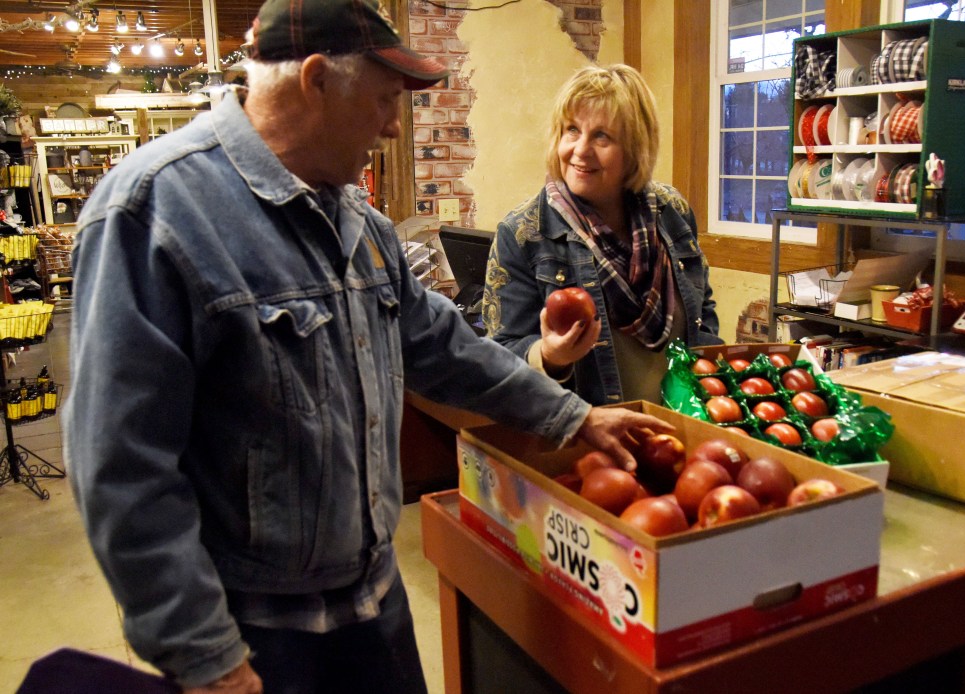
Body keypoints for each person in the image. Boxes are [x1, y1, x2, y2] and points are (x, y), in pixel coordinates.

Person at [62, 3, 674, 693]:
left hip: (375, 606)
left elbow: (447, 348)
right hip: (256, 635)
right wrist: (205, 656)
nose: (392, 126)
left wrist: (573, 417)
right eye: (384, 100)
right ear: (316, 80)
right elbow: (122, 465)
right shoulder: (155, 211)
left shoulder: (358, 221)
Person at [484, 64, 723, 407]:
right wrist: (549, 356)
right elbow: (499, 357)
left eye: (601, 136)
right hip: (593, 432)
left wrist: (709, 389)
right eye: (571, 130)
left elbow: (703, 309)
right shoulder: (524, 234)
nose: (581, 150)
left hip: (682, 423)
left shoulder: (672, 211)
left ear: (635, 148)